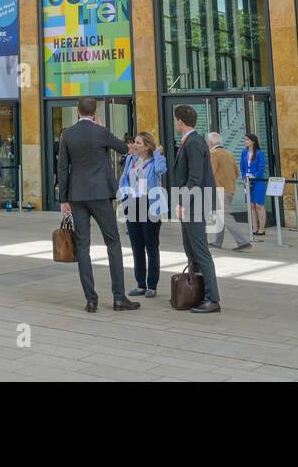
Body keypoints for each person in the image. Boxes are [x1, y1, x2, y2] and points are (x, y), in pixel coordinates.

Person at [58, 97, 138, 313]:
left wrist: (63, 199)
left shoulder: (68, 134)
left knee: (83, 246)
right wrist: (102, 128)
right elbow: (124, 148)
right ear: (95, 112)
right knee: (113, 242)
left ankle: (91, 300)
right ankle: (119, 298)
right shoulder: (101, 132)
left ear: (77, 111)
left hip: (77, 195)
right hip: (101, 194)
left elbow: (63, 167)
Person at [171, 105, 221, 313]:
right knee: (191, 251)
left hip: (195, 204)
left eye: (176, 121)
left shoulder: (192, 143)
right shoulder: (195, 141)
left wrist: (182, 201)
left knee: (200, 252)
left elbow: (194, 177)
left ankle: (212, 298)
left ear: (180, 122)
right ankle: (197, 293)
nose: (175, 124)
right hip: (195, 203)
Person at [117, 131, 167, 297]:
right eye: (134, 143)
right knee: (136, 246)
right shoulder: (131, 160)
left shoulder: (155, 161)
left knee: (151, 246)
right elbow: (123, 180)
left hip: (150, 204)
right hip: (132, 204)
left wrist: (158, 153)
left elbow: (161, 170)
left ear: (146, 146)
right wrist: (124, 199)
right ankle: (140, 284)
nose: (133, 145)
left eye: (138, 143)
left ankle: (152, 285)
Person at [207, 132, 252, 252]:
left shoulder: (213, 154)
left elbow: (210, 172)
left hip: (219, 189)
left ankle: (243, 241)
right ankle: (217, 241)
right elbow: (237, 173)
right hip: (230, 189)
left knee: (223, 215)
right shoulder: (229, 154)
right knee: (220, 215)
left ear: (210, 143)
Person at [240, 133, 268, 236]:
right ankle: (254, 228)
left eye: (247, 140)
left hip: (258, 182)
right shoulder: (244, 152)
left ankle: (262, 228)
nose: (245, 141)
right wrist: (244, 178)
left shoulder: (260, 154)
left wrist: (253, 176)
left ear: (253, 141)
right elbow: (242, 167)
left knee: (259, 205)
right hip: (247, 182)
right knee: (251, 205)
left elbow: (261, 169)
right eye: (245, 139)